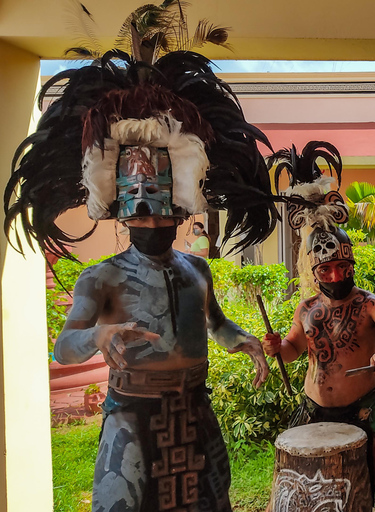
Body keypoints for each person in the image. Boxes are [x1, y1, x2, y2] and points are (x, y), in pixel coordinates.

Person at [4, 6, 281, 509]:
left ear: (181, 207)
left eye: (163, 214)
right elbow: (62, 349)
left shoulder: (196, 268)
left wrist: (246, 343)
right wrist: (99, 335)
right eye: (141, 215)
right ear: (121, 212)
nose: (153, 223)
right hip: (130, 416)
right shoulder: (100, 278)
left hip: (196, 413)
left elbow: (215, 325)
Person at [262, 141, 375, 512]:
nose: (336, 275)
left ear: (351, 263)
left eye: (342, 267)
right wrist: (275, 348)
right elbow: (293, 349)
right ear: (315, 272)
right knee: (296, 492)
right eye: (326, 269)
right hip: (313, 410)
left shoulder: (369, 304)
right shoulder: (306, 308)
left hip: (363, 410)